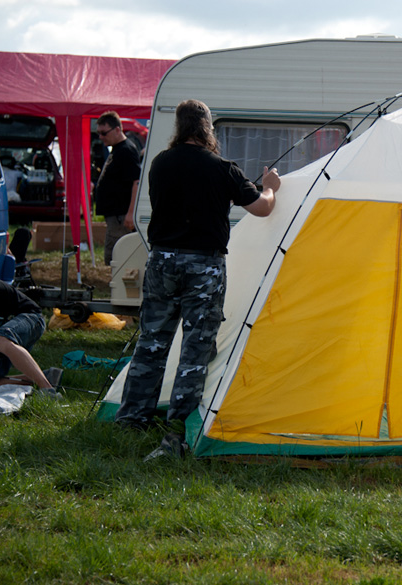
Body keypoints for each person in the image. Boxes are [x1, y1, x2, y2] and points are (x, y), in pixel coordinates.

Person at [114, 99, 281, 459]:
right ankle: (178, 429)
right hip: (203, 267)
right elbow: (262, 207)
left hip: (161, 262)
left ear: (178, 126)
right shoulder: (222, 168)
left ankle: (131, 417)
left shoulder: (159, 163)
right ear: (207, 128)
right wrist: (269, 185)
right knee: (195, 348)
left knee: (152, 341)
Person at [0, 269, 61, 396]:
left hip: (31, 318)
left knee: (0, 339)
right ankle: (47, 377)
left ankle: (48, 391)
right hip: (6, 326)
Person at [94, 111, 142, 265]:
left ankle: (118, 286)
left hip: (121, 216)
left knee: (117, 256)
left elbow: (137, 182)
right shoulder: (117, 148)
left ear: (117, 130)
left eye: (103, 133)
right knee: (114, 255)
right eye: (98, 133)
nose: (100, 137)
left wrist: (130, 213)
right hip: (115, 215)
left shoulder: (126, 150)